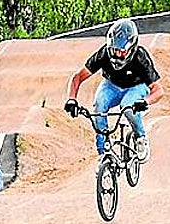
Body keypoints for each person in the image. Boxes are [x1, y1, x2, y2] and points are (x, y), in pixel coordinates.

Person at [64, 18, 163, 162]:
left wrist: (145, 102)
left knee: (128, 107)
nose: (117, 55)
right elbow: (77, 78)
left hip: (136, 87)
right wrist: (71, 99)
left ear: (131, 48)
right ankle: (103, 151)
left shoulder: (140, 57)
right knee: (99, 106)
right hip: (111, 85)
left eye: (121, 51)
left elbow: (158, 90)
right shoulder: (104, 54)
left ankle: (140, 137)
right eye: (114, 50)